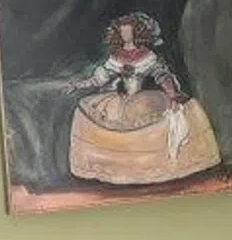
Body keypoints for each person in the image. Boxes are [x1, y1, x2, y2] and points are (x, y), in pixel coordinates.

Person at [64, 12, 220, 184]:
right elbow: (99, 79)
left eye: (128, 31)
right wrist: (78, 85)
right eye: (122, 31)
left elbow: (162, 75)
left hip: (141, 99)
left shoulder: (146, 55)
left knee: (158, 121)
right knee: (94, 114)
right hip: (120, 99)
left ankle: (147, 170)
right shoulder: (116, 56)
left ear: (136, 32)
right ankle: (116, 171)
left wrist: (172, 94)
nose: (125, 35)